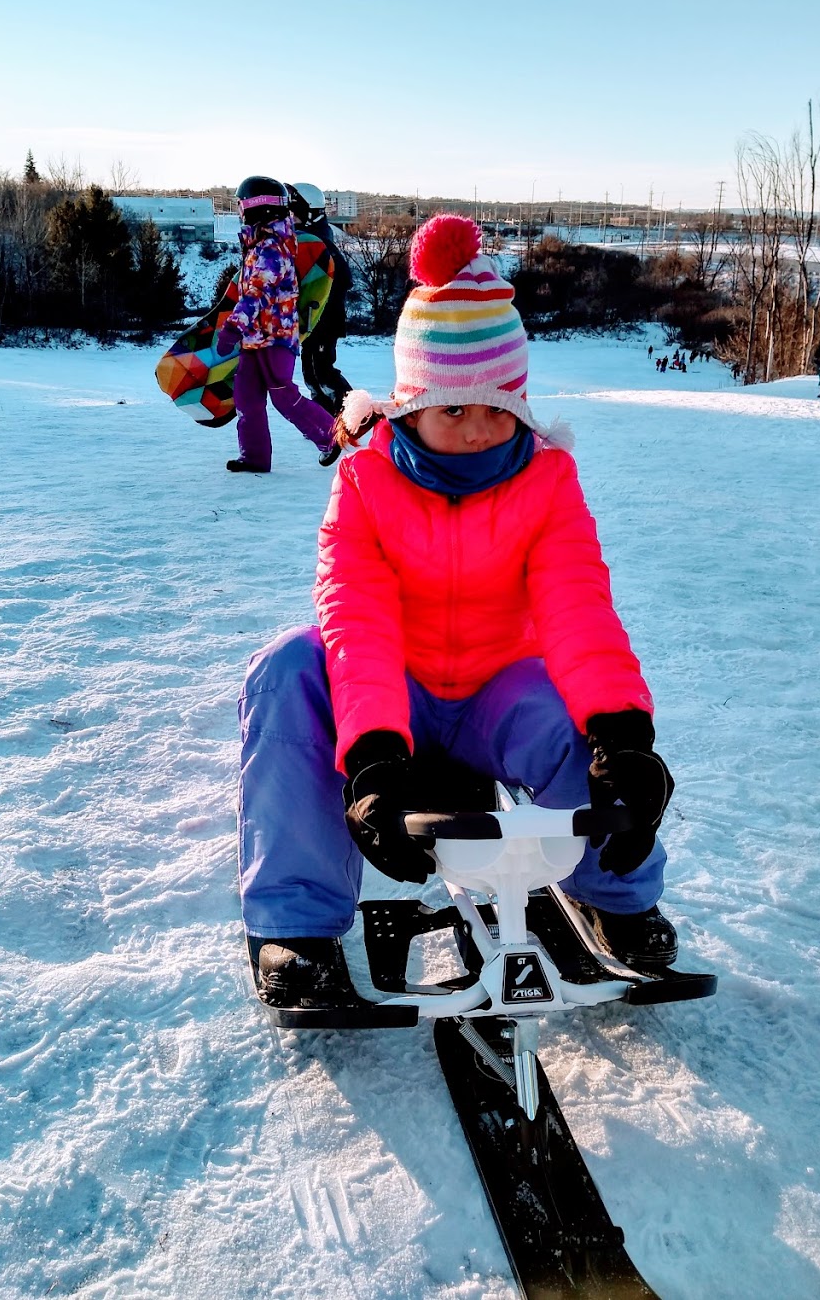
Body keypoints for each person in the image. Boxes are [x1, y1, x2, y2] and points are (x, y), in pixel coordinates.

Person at [238, 215, 678, 1010]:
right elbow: (357, 617)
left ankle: (616, 894)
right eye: (456, 410)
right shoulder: (367, 482)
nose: (480, 432)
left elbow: (578, 606)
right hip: (393, 688)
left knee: (572, 723)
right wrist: (372, 755)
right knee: (288, 670)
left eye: (498, 409)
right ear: (412, 405)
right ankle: (295, 923)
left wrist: (624, 736)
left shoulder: (545, 482)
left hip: (493, 690)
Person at [217, 176, 338, 473]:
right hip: (255, 339)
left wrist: (233, 327)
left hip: (276, 338)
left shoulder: (272, 248)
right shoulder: (257, 244)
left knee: (283, 395)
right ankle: (254, 457)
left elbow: (257, 292)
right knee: (246, 398)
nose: (238, 211)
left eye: (241, 205)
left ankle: (330, 436)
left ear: (256, 207)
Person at [288, 182, 355, 416]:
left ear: (309, 214)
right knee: (310, 373)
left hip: (324, 320)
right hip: (310, 320)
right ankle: (324, 418)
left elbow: (344, 277)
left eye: (294, 214)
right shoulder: (304, 239)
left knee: (324, 372)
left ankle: (355, 415)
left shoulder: (318, 242)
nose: (290, 219)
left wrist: (322, 305)